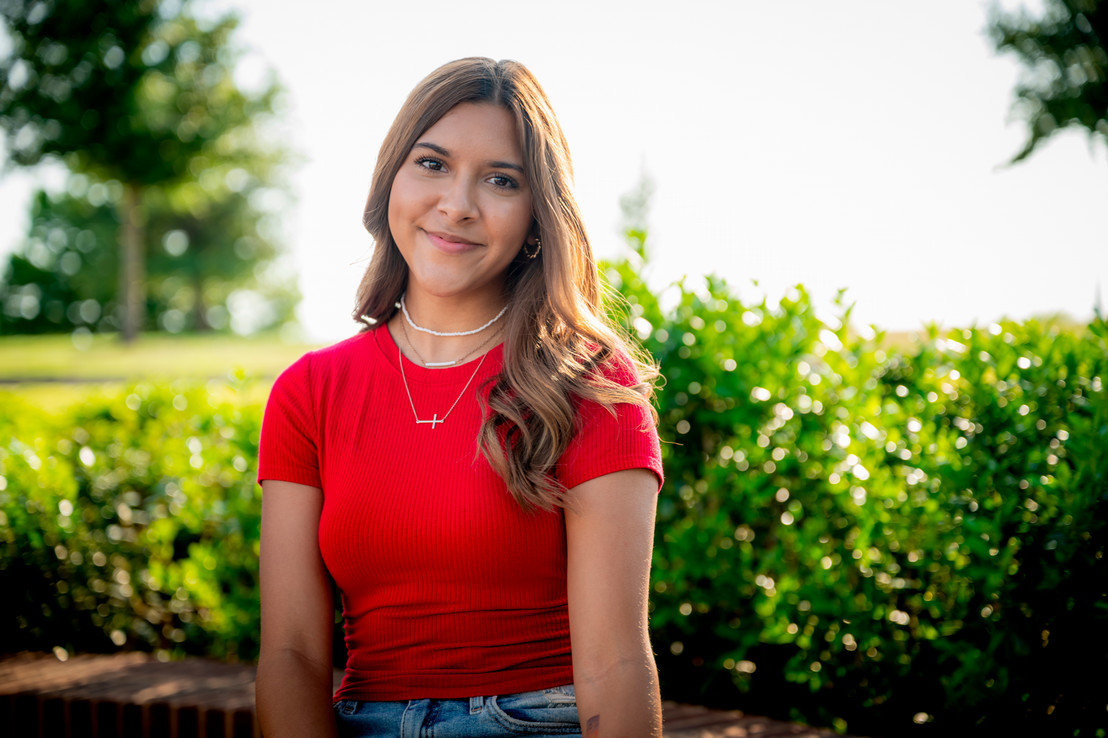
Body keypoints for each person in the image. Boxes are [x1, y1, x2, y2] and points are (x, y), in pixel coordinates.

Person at [255, 57, 664, 738]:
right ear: (392, 179)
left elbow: (616, 663)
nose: (458, 205)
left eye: (501, 180)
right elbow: (291, 654)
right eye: (433, 164)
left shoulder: (591, 386)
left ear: (538, 216)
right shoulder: (310, 392)